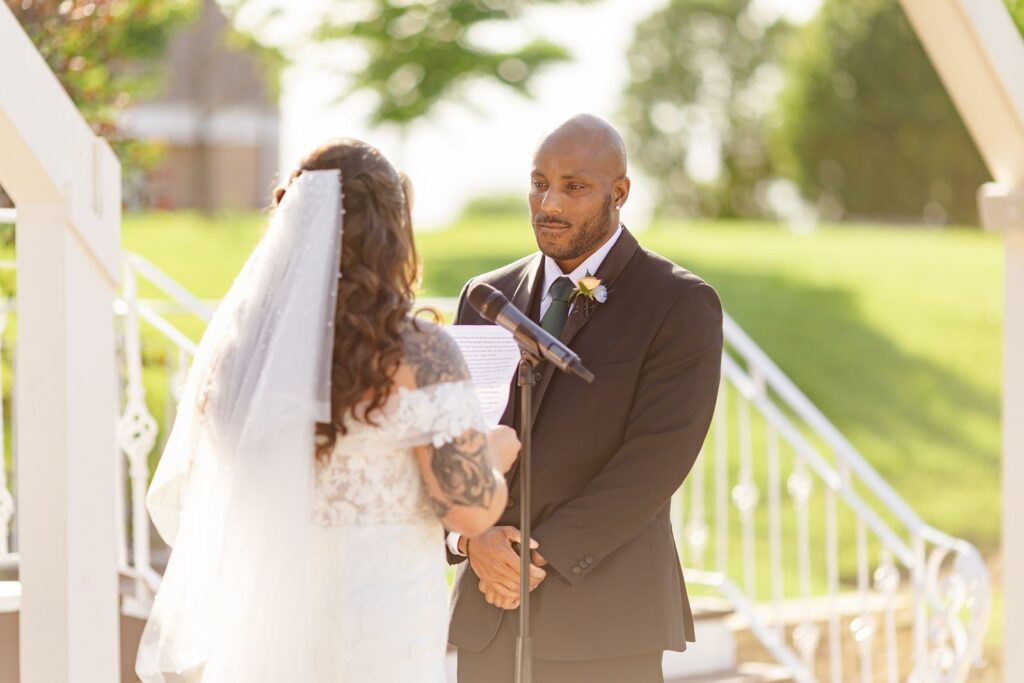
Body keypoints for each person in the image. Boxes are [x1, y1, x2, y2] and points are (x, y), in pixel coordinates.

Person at [135, 138, 518, 682]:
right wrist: (496, 449)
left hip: (266, 613)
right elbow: (470, 512)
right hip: (381, 620)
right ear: (392, 233)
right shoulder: (417, 351)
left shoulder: (240, 354)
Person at [447, 114, 724, 682]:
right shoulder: (484, 298)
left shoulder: (678, 302)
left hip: (605, 618)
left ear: (619, 193)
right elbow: (450, 442)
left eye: (574, 187)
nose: (548, 202)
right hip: (487, 612)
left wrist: (532, 558)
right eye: (538, 182)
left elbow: (656, 461)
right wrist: (469, 538)